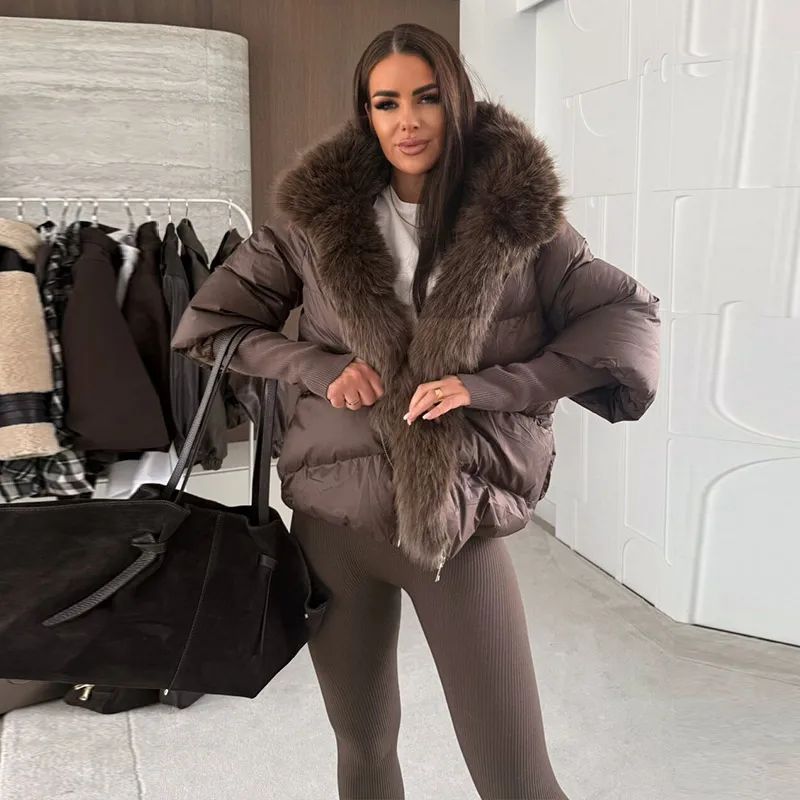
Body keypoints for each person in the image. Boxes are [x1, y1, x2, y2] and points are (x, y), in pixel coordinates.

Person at [172, 22, 660, 800]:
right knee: (363, 750)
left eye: (426, 98)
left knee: (517, 780)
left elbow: (626, 319)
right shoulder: (313, 222)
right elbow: (211, 325)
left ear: (456, 100)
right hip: (331, 524)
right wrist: (317, 366)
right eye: (386, 102)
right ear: (365, 111)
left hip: (455, 526)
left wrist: (492, 386)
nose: (407, 121)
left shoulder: (519, 220)